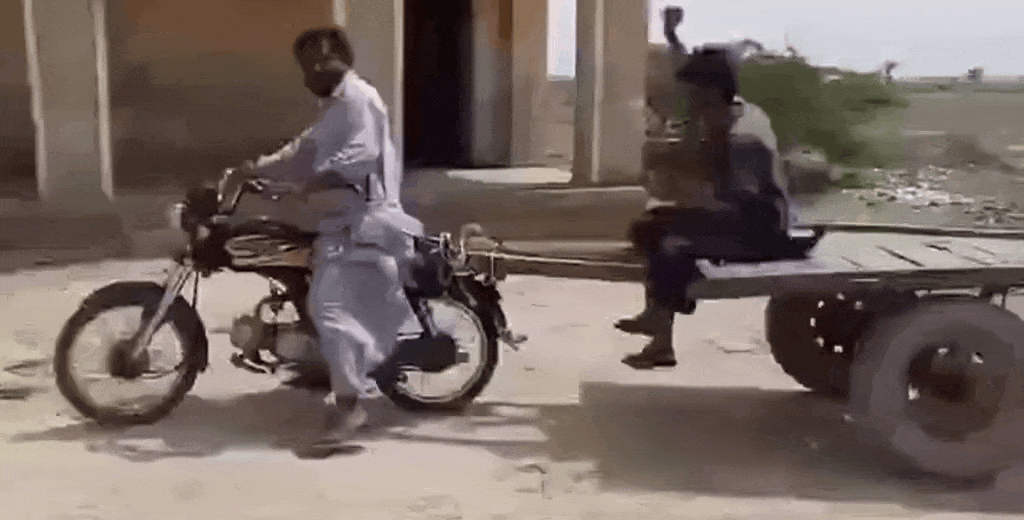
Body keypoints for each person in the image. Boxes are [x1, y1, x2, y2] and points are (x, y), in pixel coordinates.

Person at [231, 26, 425, 452]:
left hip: (366, 224)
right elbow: (303, 150)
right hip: (341, 222)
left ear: (336, 58)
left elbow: (358, 159)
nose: (310, 73)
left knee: (329, 307)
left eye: (316, 63)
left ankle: (350, 405)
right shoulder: (335, 107)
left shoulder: (359, 99)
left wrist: (306, 184)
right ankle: (319, 364)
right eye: (305, 66)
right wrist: (255, 169)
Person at [618, 45, 800, 370]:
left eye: (695, 92)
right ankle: (656, 321)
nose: (690, 99)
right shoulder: (721, 119)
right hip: (738, 217)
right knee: (648, 227)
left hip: (759, 229)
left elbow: (743, 199)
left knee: (672, 245)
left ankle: (661, 338)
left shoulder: (744, 133)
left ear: (712, 91)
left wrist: (697, 201)